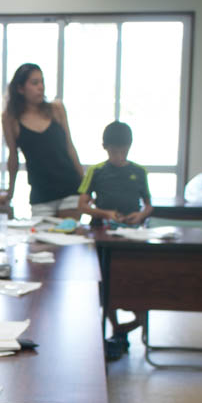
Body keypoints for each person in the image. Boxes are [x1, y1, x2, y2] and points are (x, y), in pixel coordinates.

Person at [78, 121, 151, 358]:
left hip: (132, 237)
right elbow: (82, 205)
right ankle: (114, 327)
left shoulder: (139, 172)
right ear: (105, 148)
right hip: (103, 236)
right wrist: (105, 213)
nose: (119, 156)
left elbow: (148, 205)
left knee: (136, 285)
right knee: (106, 287)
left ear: (129, 147)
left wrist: (139, 215)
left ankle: (122, 330)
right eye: (114, 151)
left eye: (123, 151)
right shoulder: (96, 171)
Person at [2, 63, 84, 218]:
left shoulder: (56, 108)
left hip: (69, 187)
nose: (41, 87)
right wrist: (10, 191)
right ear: (20, 88)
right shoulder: (10, 118)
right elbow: (13, 157)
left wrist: (85, 184)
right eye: (34, 83)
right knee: (41, 240)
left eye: (42, 82)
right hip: (41, 192)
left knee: (68, 238)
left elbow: (70, 147)